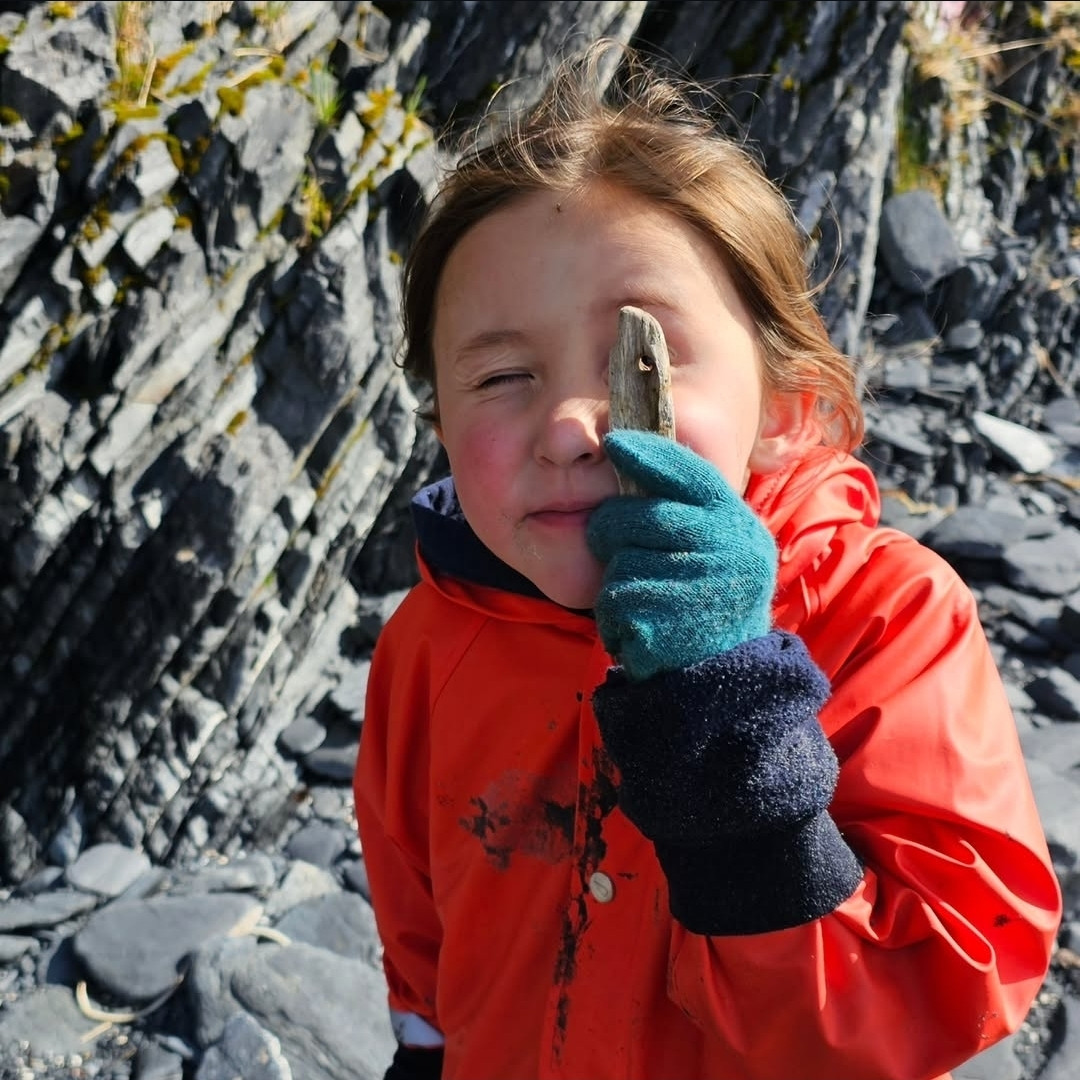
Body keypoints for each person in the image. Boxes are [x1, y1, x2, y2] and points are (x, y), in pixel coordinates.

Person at [353, 40, 1062, 1080]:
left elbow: (946, 987)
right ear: (442, 428)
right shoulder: (433, 639)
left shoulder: (882, 617)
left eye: (639, 358)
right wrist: (424, 1050)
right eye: (501, 377)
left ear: (785, 407)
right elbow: (415, 904)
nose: (572, 427)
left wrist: (728, 715)